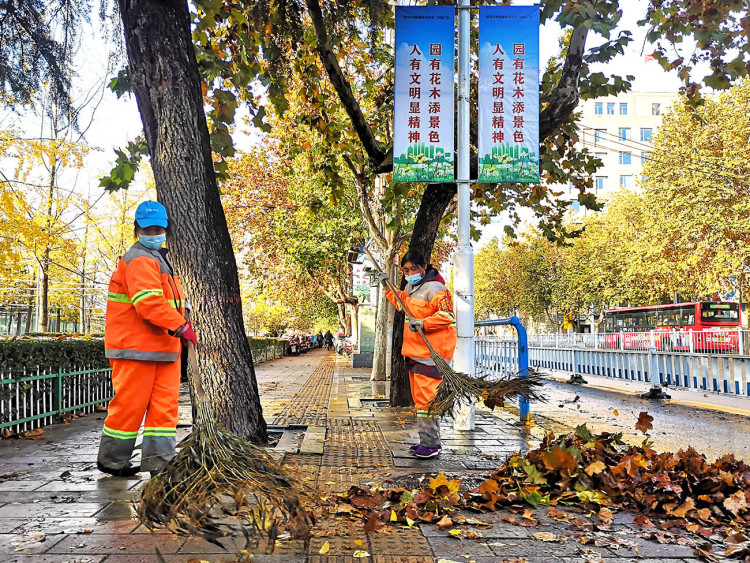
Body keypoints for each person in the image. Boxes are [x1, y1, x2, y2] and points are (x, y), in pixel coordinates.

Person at [97, 200, 197, 477]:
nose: (154, 232)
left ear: (166, 229)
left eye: (158, 228)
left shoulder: (160, 259)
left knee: (164, 409)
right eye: (148, 228)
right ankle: (112, 460)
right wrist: (181, 325)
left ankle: (160, 462)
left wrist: (184, 315)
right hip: (135, 349)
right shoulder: (138, 259)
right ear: (137, 229)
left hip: (163, 348)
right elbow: (148, 303)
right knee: (129, 407)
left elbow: (170, 300)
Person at [380, 249, 456, 459]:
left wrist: (424, 323)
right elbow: (402, 303)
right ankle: (428, 441)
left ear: (424, 267)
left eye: (414, 268)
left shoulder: (436, 289)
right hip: (415, 353)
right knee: (421, 401)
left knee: (426, 402)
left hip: (431, 355)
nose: (410, 272)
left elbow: (447, 316)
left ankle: (430, 445)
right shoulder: (411, 287)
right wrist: (388, 288)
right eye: (406, 269)